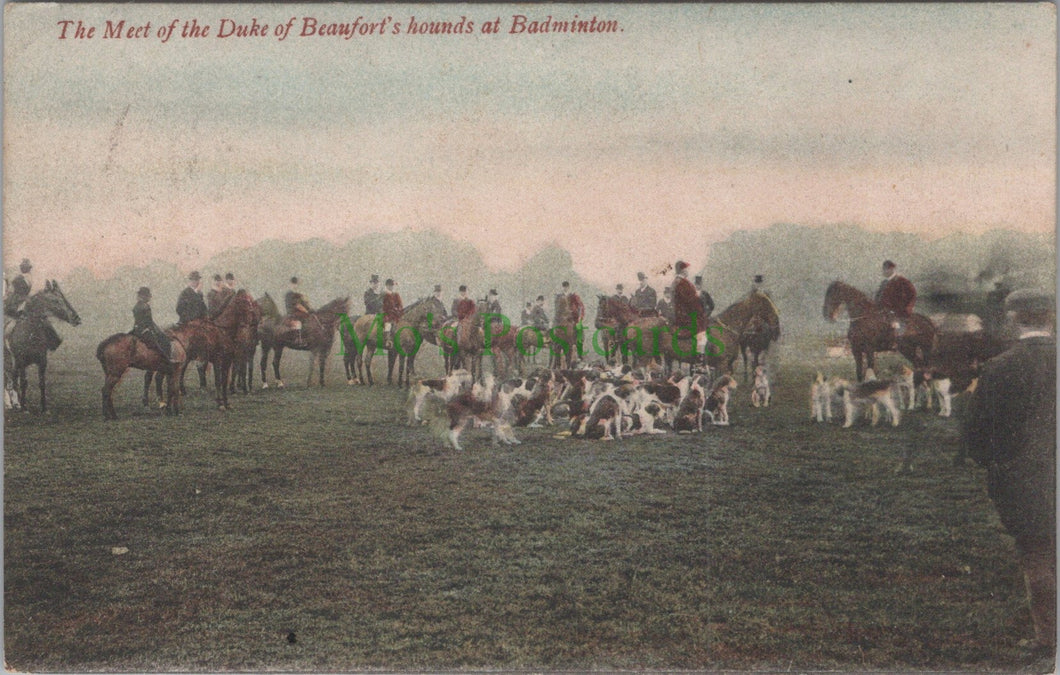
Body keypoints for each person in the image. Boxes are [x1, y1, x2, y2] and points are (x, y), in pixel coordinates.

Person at [962, 288, 1055, 658]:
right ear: (1051, 316)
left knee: (1037, 553)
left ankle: (1049, 638)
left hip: (1024, 479)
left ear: (1015, 319)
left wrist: (998, 465)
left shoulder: (1000, 367)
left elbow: (975, 436)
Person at [875, 260, 917, 344]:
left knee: (896, 325)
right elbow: (877, 298)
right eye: (884, 269)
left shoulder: (902, 280)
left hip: (898, 312)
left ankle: (898, 342)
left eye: (886, 269)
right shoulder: (884, 283)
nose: (884, 271)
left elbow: (913, 294)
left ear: (892, 269)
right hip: (884, 312)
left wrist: (907, 308)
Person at [132, 287, 174, 362]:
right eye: (148, 296)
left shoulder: (136, 306)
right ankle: (166, 360)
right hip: (144, 331)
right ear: (144, 296)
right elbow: (149, 322)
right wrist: (158, 331)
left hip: (136, 330)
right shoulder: (146, 306)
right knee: (164, 340)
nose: (149, 298)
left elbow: (139, 321)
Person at [284, 276, 312, 346]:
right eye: (293, 284)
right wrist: (307, 311)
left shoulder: (298, 294)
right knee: (300, 321)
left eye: (296, 284)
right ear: (290, 284)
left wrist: (310, 309)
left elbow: (305, 304)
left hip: (300, 312)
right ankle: (298, 339)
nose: (295, 285)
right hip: (292, 312)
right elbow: (297, 305)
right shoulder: (290, 294)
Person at [382, 278, 403, 348]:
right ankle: (388, 341)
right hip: (387, 314)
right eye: (389, 285)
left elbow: (400, 304)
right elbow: (382, 305)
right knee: (388, 324)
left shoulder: (396, 294)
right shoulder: (384, 294)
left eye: (392, 285)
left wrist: (398, 309)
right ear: (386, 286)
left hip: (395, 314)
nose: (391, 287)